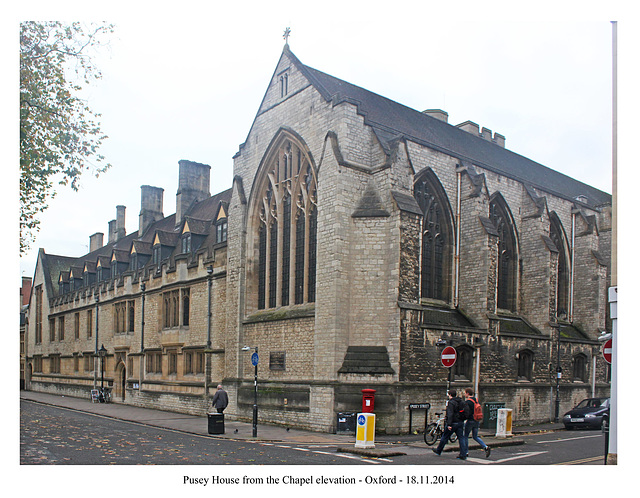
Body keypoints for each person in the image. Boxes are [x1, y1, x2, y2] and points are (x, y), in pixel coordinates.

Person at [432, 389, 467, 459]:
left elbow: (450, 414)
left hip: (453, 422)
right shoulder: (461, 401)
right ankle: (463, 454)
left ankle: (439, 450)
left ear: (450, 395)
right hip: (460, 422)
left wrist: (449, 424)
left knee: (445, 436)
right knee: (461, 438)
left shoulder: (451, 403)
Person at [463, 387, 491, 458]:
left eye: (465, 393)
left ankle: (465, 452)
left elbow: (466, 412)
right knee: (475, 436)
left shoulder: (468, 402)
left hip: (470, 420)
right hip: (477, 420)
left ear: (467, 393)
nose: (464, 394)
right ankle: (485, 447)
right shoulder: (477, 400)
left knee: (465, 436)